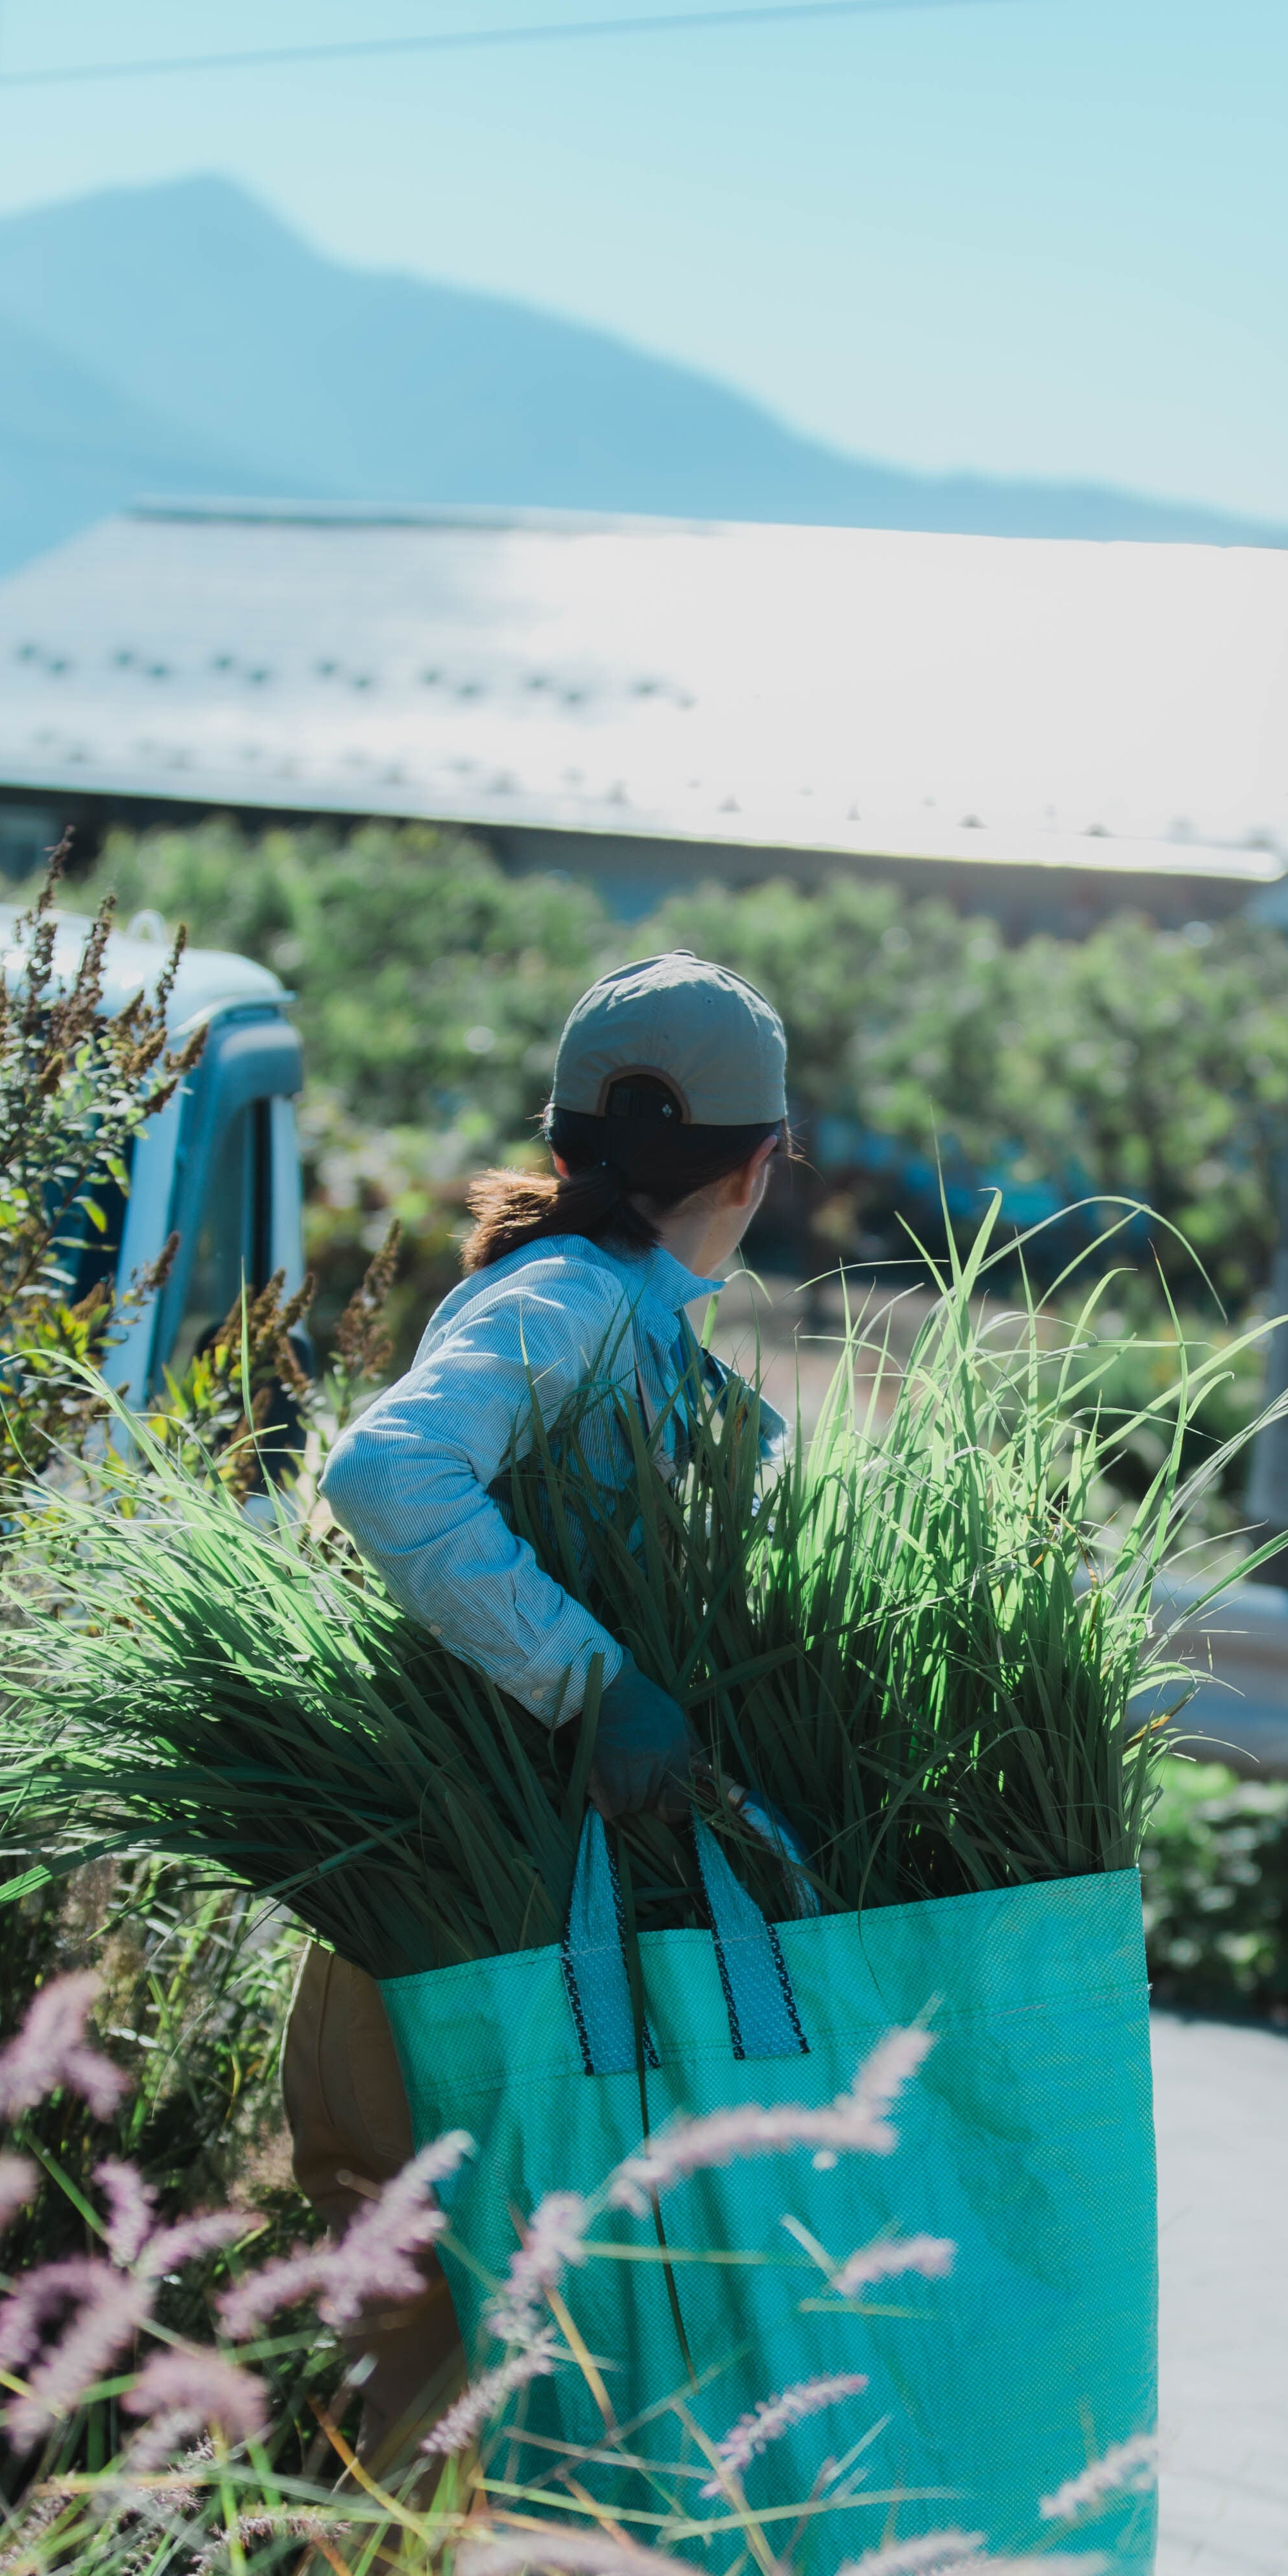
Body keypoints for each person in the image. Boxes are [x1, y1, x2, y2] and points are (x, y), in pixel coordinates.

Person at [284, 950, 791, 2469]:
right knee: (450, 2377)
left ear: (564, 1140)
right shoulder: (571, 1297)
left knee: (467, 2373)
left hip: (485, 1909)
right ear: (758, 1167)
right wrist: (598, 1682)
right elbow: (388, 1473)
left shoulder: (617, 1307)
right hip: (464, 1919)